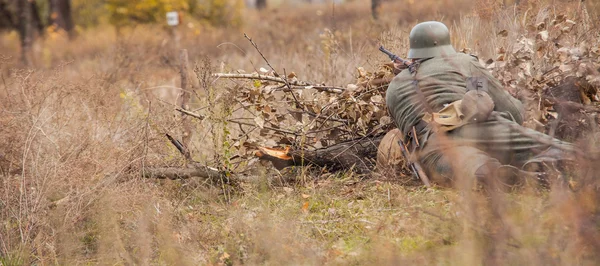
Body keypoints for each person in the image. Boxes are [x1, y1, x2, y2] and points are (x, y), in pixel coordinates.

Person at [385, 21, 576, 189]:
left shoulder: (393, 88)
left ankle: (503, 175)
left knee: (475, 167)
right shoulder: (462, 62)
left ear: (413, 50)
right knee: (557, 149)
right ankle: (545, 161)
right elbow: (513, 112)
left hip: (433, 143)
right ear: (444, 44)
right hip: (478, 125)